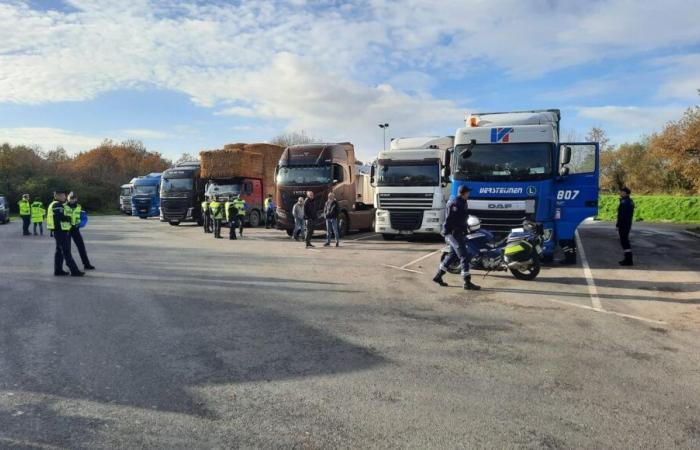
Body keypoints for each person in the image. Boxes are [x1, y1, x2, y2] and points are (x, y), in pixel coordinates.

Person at [433, 185, 480, 290]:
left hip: (459, 233)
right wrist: (445, 231)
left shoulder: (463, 202)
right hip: (453, 234)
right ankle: (467, 282)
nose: (469, 194)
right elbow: (449, 219)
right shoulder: (455, 203)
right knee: (464, 256)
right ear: (463, 193)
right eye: (468, 192)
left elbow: (463, 217)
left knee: (452, 255)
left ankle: (438, 276)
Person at [47, 189, 83, 277]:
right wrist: (68, 218)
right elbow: (59, 217)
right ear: (57, 196)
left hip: (57, 231)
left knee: (59, 251)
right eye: (63, 195)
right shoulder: (57, 205)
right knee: (66, 251)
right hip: (60, 231)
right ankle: (74, 271)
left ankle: (58, 270)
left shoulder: (54, 204)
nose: (65, 197)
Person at [67, 192, 95, 270]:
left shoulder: (79, 207)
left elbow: (84, 218)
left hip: (75, 229)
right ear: (68, 198)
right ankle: (69, 265)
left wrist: (80, 224)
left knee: (81, 247)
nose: (72, 200)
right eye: (70, 198)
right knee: (67, 248)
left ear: (76, 199)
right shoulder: (64, 206)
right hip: (66, 229)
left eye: (73, 198)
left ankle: (86, 264)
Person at [616, 186, 635, 266]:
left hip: (624, 224)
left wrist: (618, 224)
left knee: (624, 241)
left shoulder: (625, 202)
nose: (620, 193)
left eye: (622, 192)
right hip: (627, 224)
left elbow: (622, 215)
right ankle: (627, 259)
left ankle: (628, 260)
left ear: (625, 193)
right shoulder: (629, 201)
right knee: (625, 241)